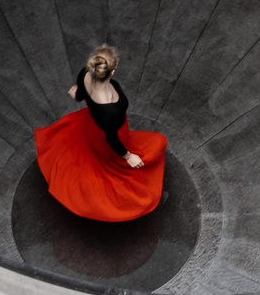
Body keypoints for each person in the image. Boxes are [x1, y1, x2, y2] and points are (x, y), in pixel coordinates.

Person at [32, 44, 166, 222]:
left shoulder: (84, 74)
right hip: (109, 137)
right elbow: (112, 139)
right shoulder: (110, 108)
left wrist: (76, 95)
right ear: (111, 72)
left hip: (93, 126)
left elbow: (79, 95)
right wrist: (128, 156)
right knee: (156, 144)